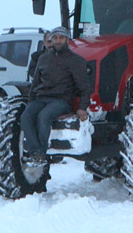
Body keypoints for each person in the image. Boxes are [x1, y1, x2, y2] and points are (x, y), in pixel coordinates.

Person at [20, 26, 92, 165]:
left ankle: (41, 153)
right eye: (55, 38)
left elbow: (85, 87)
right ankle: (35, 152)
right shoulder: (43, 59)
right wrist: (31, 103)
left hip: (62, 101)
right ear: (51, 40)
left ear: (67, 39)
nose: (58, 41)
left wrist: (82, 107)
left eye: (61, 38)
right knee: (26, 116)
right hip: (41, 98)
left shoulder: (76, 60)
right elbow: (35, 85)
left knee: (44, 116)